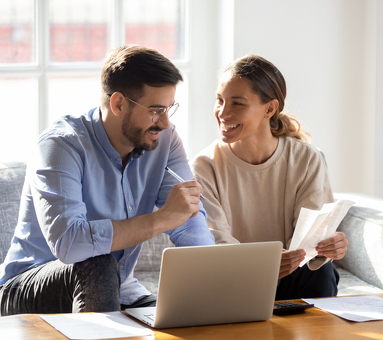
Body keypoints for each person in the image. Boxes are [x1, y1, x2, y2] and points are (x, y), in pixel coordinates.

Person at [0, 45, 214, 316]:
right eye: (156, 110)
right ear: (118, 103)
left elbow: (188, 219)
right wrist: (161, 219)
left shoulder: (165, 141)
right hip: (27, 287)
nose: (165, 123)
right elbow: (69, 243)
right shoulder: (61, 146)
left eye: (169, 109)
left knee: (184, 320)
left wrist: (214, 278)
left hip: (119, 288)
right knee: (97, 264)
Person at [191, 55, 347, 299]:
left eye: (237, 104)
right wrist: (265, 264)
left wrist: (328, 247)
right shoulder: (204, 167)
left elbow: (310, 241)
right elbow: (216, 245)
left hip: (294, 276)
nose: (222, 112)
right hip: (235, 281)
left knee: (321, 273)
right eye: (219, 100)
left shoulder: (306, 159)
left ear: (270, 108)